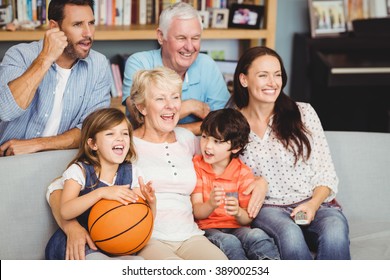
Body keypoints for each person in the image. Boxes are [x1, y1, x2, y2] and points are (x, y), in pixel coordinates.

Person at [229, 46, 351, 260]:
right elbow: (222, 172)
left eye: (277, 75)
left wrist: (313, 204)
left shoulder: (303, 112)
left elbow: (326, 171)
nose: (273, 82)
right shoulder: (232, 124)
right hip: (269, 208)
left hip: (315, 202)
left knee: (335, 231)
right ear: (244, 79)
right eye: (263, 75)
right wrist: (256, 181)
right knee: (290, 236)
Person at [126, 67, 227, 260]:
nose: (171, 106)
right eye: (160, 99)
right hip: (149, 237)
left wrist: (259, 182)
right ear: (142, 107)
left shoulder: (187, 138)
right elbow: (79, 177)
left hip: (190, 236)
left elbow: (221, 166)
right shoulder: (127, 144)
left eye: (175, 97)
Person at [0, 0, 111, 157]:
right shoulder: (20, 55)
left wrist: (38, 145)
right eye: (78, 24)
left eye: (91, 23)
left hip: (64, 162)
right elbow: (6, 110)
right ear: (54, 28)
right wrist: (45, 58)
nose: (88, 33)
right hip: (11, 159)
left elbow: (92, 129)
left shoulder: (99, 65)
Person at [45, 108, 154, 260]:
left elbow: (142, 221)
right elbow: (66, 211)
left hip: (112, 244)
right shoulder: (79, 171)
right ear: (93, 144)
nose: (120, 138)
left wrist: (151, 203)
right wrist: (101, 193)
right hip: (79, 242)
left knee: (138, 261)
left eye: (125, 133)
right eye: (110, 134)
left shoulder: (133, 173)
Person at [122, 2, 230, 135]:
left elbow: (225, 122)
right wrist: (191, 106)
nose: (190, 47)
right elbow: (140, 117)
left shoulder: (207, 65)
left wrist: (172, 130)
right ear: (161, 36)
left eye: (195, 38)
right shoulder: (139, 63)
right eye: (181, 38)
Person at [191, 108, 280, 260]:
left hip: (236, 227)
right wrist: (211, 204)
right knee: (229, 242)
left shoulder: (243, 173)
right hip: (208, 229)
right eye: (205, 137)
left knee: (258, 236)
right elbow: (197, 211)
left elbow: (248, 218)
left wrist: (238, 212)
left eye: (217, 141)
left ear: (236, 147)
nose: (208, 146)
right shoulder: (197, 166)